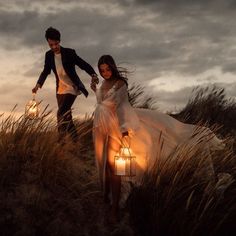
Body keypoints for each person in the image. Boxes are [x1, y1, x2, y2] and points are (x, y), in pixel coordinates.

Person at [91, 55, 224, 223]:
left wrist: (124, 133)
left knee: (116, 167)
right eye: (102, 70)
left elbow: (121, 108)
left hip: (118, 127)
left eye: (108, 69)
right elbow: (103, 103)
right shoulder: (103, 83)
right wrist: (95, 88)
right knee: (106, 164)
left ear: (113, 67)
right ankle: (106, 196)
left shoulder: (120, 84)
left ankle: (115, 209)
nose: (105, 73)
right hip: (103, 128)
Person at [32, 27, 99, 142]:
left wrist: (93, 74)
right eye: (51, 45)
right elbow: (46, 71)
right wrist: (38, 84)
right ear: (48, 43)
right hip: (60, 89)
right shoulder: (48, 56)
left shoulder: (69, 53)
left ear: (60, 40)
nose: (54, 47)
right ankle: (75, 141)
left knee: (61, 113)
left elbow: (82, 64)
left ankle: (61, 141)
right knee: (67, 117)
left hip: (72, 88)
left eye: (56, 44)